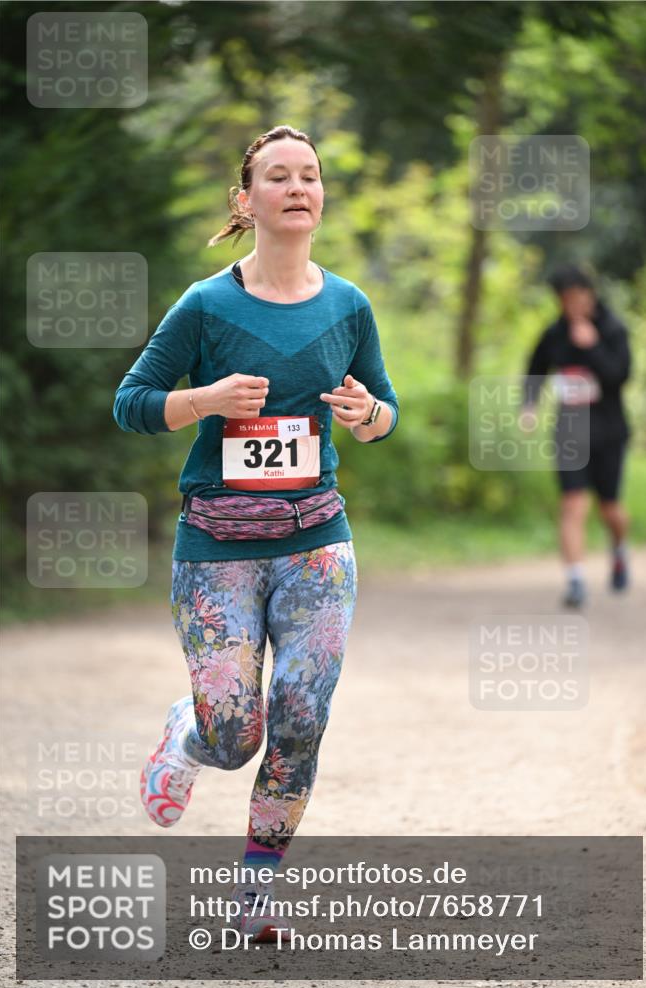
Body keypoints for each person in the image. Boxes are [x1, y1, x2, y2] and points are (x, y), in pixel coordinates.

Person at [113, 124, 398, 942]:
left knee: (301, 717)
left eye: (309, 174)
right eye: (278, 175)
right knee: (235, 735)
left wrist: (367, 414)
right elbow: (131, 403)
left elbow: (383, 411)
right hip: (218, 549)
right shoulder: (207, 305)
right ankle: (188, 732)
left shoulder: (348, 305)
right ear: (247, 200)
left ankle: (256, 892)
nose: (298, 187)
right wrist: (205, 401)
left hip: (317, 543)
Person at [522, 264, 631, 608]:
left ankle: (619, 548)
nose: (570, 306)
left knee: (609, 507)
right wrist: (529, 406)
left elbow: (620, 375)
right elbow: (535, 369)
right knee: (572, 503)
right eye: (563, 300)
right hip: (569, 431)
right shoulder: (554, 333)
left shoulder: (613, 329)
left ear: (589, 294)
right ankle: (575, 581)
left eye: (575, 298)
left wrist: (593, 346)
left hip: (609, 431)